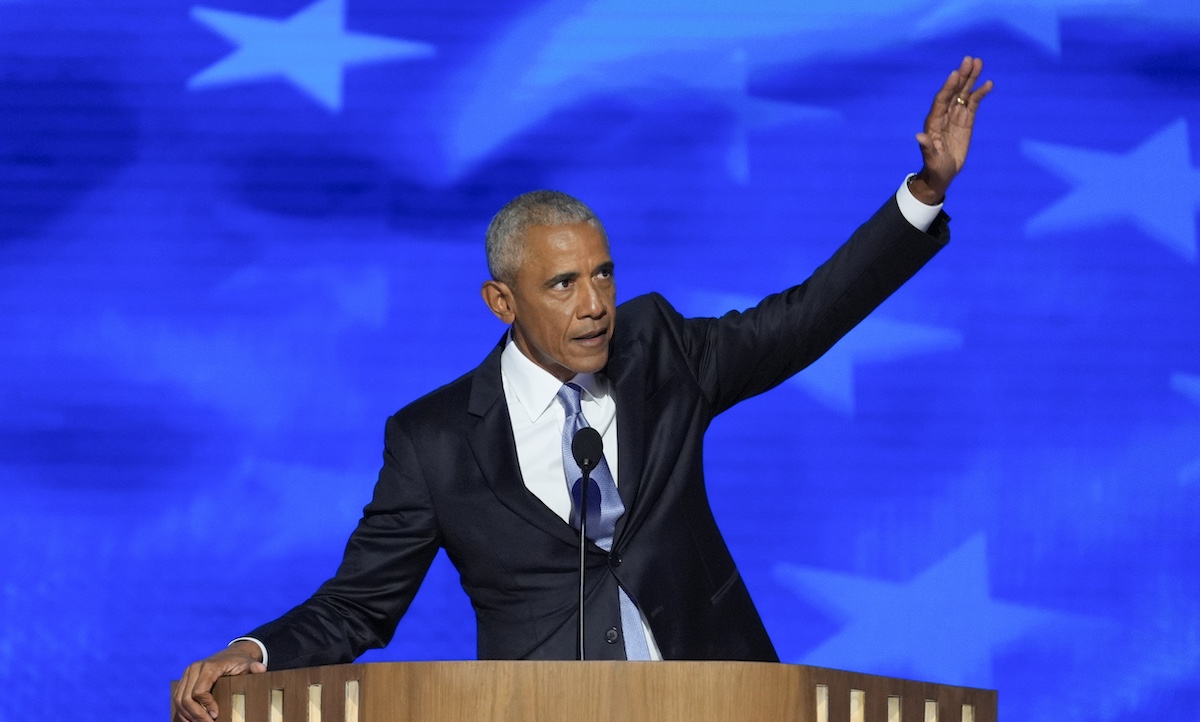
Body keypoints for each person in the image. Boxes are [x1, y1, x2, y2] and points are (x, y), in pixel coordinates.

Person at [173, 56, 992, 722]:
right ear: (503, 301)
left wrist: (923, 194)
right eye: (563, 284)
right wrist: (255, 653)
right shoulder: (435, 441)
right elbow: (359, 605)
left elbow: (804, 319)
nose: (596, 304)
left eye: (603, 274)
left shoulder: (660, 351)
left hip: (724, 703)